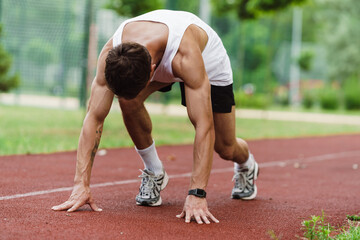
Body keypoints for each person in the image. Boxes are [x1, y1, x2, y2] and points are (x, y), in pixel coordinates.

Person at [52, 9, 259, 224]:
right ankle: (154, 171)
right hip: (159, 54)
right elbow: (93, 117)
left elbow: (203, 126)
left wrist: (197, 193)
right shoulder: (111, 54)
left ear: (152, 72)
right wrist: (80, 184)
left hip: (207, 61)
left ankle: (247, 165)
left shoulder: (185, 55)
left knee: (225, 147)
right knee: (128, 99)